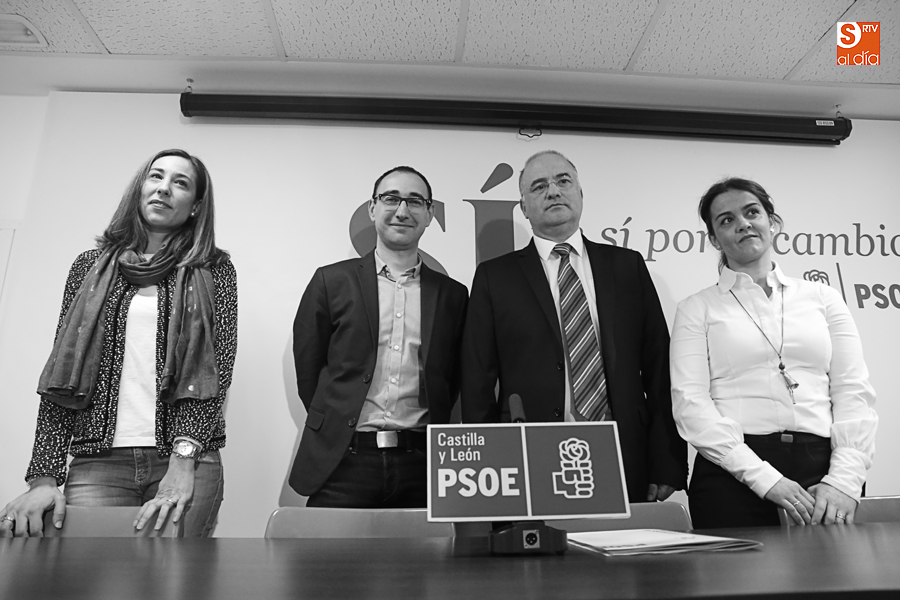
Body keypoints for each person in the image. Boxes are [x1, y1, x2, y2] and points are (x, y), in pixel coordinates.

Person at [0, 149, 237, 537]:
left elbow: (216, 370)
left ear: (196, 205)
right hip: (98, 462)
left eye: (180, 183)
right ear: (140, 188)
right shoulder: (88, 266)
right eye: (156, 176)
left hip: (186, 459)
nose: (164, 188)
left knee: (176, 574)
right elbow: (62, 374)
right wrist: (44, 477)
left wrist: (183, 462)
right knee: (87, 575)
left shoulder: (214, 269)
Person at [461, 150, 687, 503]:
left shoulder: (626, 266)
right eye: (539, 186)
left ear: (580, 194)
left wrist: (667, 461)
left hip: (624, 448)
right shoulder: (495, 277)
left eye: (563, 181)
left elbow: (659, 367)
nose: (553, 191)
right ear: (523, 207)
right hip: (529, 453)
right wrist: (487, 464)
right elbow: (477, 379)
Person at [670, 177, 877, 528]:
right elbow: (691, 404)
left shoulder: (823, 298)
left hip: (825, 472)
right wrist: (765, 479)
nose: (743, 224)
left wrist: (844, 480)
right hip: (732, 473)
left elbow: (852, 391)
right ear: (714, 239)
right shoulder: (696, 308)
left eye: (752, 212)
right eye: (727, 220)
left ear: (772, 222)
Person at [289, 166, 467, 508]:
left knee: (428, 547)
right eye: (391, 198)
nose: (402, 210)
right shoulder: (331, 282)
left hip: (423, 463)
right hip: (343, 461)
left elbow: (454, 378)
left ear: (429, 214)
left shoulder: (452, 295)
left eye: (415, 201)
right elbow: (309, 369)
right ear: (372, 208)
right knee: (328, 546)